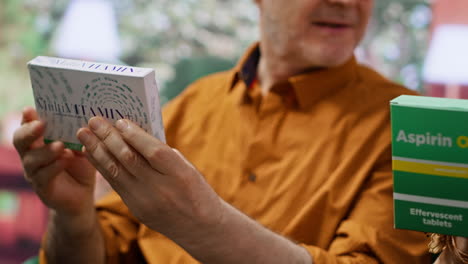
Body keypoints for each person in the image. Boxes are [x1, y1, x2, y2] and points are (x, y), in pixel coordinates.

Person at [13, 0, 432, 263]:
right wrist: (73, 214)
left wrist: (199, 221)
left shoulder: (410, 130)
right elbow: (103, 253)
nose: (345, 2)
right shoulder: (189, 106)